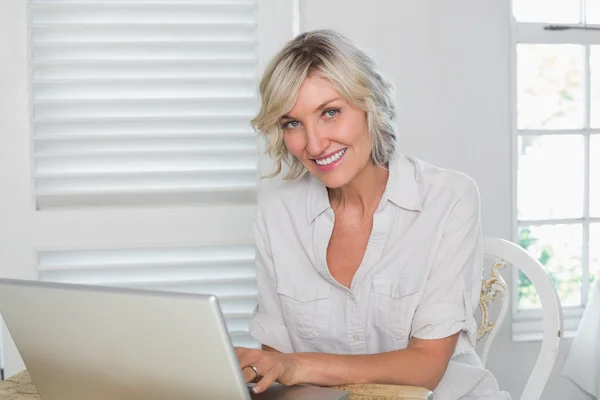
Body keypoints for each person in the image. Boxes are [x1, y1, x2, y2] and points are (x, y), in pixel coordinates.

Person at [236, 29, 511, 400]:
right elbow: (277, 362)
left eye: (330, 112)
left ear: (371, 105)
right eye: (292, 123)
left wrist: (296, 365)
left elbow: (426, 366)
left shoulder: (449, 199)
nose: (314, 144)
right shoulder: (277, 215)